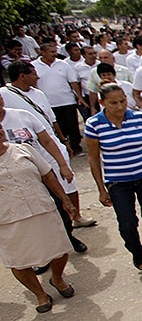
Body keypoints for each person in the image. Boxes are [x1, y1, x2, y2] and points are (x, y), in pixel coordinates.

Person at [86, 83, 142, 276]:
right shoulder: (94, 124)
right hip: (118, 182)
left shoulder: (139, 118)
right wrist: (101, 188)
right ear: (102, 102)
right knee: (127, 224)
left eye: (122, 101)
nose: (120, 106)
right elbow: (93, 158)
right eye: (113, 103)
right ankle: (137, 252)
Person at [2, 61, 92, 249]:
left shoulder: (32, 102)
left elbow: (49, 126)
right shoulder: (6, 93)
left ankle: (70, 229)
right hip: (16, 169)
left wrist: (63, 143)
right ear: (22, 76)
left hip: (44, 156)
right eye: (33, 73)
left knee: (62, 193)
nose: (37, 76)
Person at [0, 126, 78, 312]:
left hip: (42, 209)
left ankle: (57, 279)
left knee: (60, 249)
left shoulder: (23, 149)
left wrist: (65, 200)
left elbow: (47, 176)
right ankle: (40, 294)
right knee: (19, 262)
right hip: (8, 220)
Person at [32, 42, 87, 156]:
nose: (54, 54)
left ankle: (76, 147)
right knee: (58, 127)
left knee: (72, 125)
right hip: (49, 103)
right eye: (51, 52)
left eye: (55, 51)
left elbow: (73, 82)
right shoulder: (34, 66)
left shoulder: (63, 64)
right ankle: (63, 149)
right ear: (43, 53)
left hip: (67, 100)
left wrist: (79, 97)